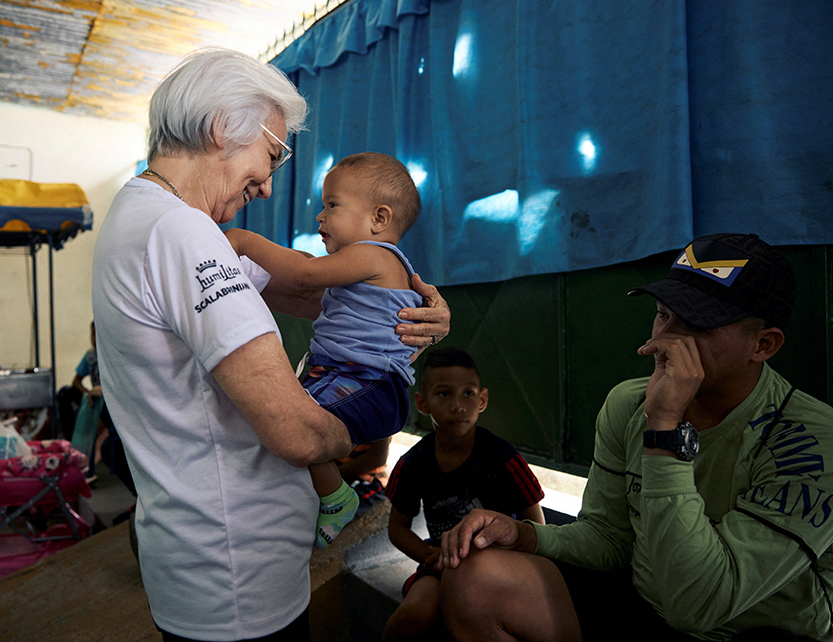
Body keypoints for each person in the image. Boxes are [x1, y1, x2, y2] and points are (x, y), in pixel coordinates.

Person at [91, 47, 450, 642]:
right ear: (219, 127)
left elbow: (313, 295)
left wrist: (413, 314)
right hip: (235, 572)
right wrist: (366, 424)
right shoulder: (183, 232)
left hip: (213, 560)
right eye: (272, 154)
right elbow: (296, 432)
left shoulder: (146, 216)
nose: (267, 183)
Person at [437, 233, 833, 642]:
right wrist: (524, 533)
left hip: (744, 631)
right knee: (474, 577)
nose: (663, 341)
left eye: (697, 324)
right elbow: (609, 538)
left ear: (763, 344)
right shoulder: (629, 404)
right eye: (663, 315)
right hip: (648, 605)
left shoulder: (813, 441)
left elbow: (697, 606)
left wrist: (665, 428)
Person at [225, 152, 424, 549]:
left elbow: (304, 274)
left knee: (295, 425)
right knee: (288, 423)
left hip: (369, 383)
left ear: (379, 219)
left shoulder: (375, 255)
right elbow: (305, 267)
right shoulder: (362, 264)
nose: (320, 216)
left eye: (332, 205)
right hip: (346, 377)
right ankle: (325, 494)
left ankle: (336, 497)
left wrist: (243, 240)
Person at [382, 347, 545, 642]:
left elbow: (536, 526)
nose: (458, 406)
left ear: (482, 400)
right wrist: (429, 555)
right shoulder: (412, 464)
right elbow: (397, 529)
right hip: (443, 564)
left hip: (502, 563)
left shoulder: (503, 457)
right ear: (422, 403)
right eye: (444, 394)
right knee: (413, 615)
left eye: (468, 394)